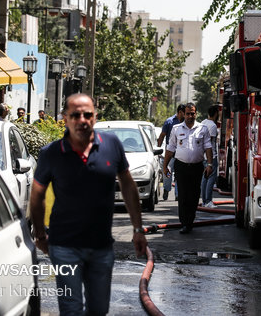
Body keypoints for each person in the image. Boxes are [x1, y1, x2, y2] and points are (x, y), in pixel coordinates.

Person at [29, 93, 148, 316]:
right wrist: (40, 234)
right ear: (65, 118)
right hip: (64, 246)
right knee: (71, 309)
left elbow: (127, 184)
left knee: (99, 310)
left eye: (88, 114)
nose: (82, 120)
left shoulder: (111, 145)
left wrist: (138, 229)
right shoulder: (51, 153)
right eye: (75, 115)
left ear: (95, 117)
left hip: (101, 247)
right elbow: (37, 195)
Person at [163, 102, 213, 234]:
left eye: (193, 113)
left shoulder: (203, 129)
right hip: (181, 166)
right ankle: (185, 223)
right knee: (183, 195)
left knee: (194, 195)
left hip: (197, 167)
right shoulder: (176, 129)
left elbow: (208, 147)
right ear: (183, 115)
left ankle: (190, 220)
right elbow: (170, 148)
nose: (190, 116)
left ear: (196, 114)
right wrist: (165, 166)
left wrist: (209, 164)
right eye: (188, 114)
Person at [157, 104, 186, 201]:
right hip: (170, 153)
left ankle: (178, 194)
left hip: (181, 153)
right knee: (167, 174)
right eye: (184, 112)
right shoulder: (169, 122)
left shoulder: (186, 122)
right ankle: (166, 189)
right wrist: (158, 148)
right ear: (180, 112)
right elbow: (162, 135)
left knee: (179, 175)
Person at [200, 105, 219, 208]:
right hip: (211, 156)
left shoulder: (203, 123)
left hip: (203, 156)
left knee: (204, 178)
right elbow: (209, 142)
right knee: (211, 178)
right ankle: (208, 201)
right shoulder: (213, 126)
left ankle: (204, 201)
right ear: (216, 113)